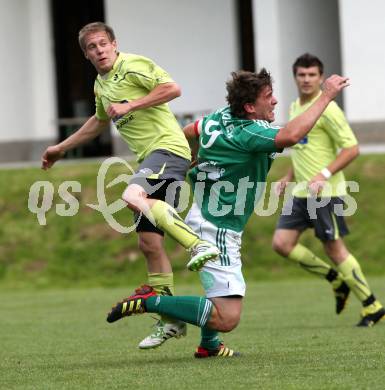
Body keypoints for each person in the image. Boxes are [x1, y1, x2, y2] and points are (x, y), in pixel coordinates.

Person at [106, 68, 350, 357]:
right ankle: (150, 300)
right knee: (228, 317)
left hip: (207, 215)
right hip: (218, 226)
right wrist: (326, 95)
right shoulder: (250, 133)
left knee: (219, 294)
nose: (274, 102)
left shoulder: (220, 116)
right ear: (249, 107)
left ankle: (209, 344)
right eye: (268, 97)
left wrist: (193, 159)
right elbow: (292, 135)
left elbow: (189, 131)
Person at [41, 22, 220, 349]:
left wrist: (130, 105)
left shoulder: (133, 65)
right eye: (92, 47)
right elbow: (98, 121)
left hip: (168, 148)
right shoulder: (100, 84)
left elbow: (172, 89)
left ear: (114, 44)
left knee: (131, 194)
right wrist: (60, 148)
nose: (99, 51)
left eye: (102, 44)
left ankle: (197, 245)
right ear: (86, 54)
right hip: (150, 159)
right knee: (150, 244)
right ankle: (171, 320)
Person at [272, 53, 385, 327]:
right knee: (282, 244)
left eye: (312, 75)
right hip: (301, 192)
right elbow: (302, 148)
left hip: (326, 193)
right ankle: (335, 279)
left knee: (334, 249)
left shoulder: (329, 109)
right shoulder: (294, 107)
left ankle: (372, 305)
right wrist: (287, 176)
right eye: (302, 74)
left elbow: (352, 148)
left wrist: (323, 174)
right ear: (295, 77)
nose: (307, 79)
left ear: (321, 78)